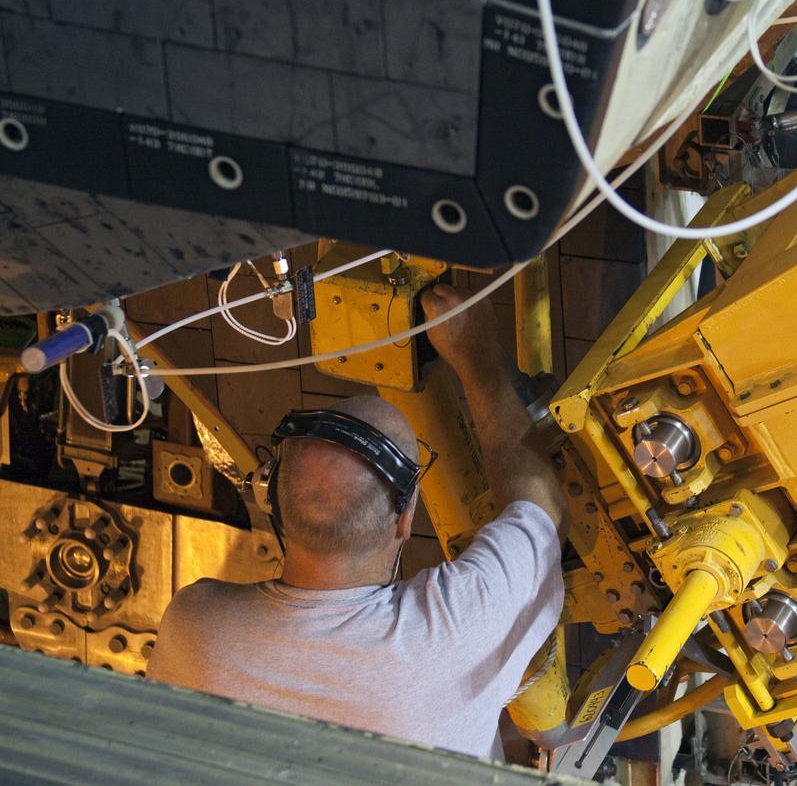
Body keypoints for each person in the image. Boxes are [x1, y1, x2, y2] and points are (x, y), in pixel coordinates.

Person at [147, 285, 567, 759]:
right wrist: (477, 357)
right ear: (404, 520)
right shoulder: (457, 627)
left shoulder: (194, 626)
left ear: (272, 499)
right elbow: (543, 509)